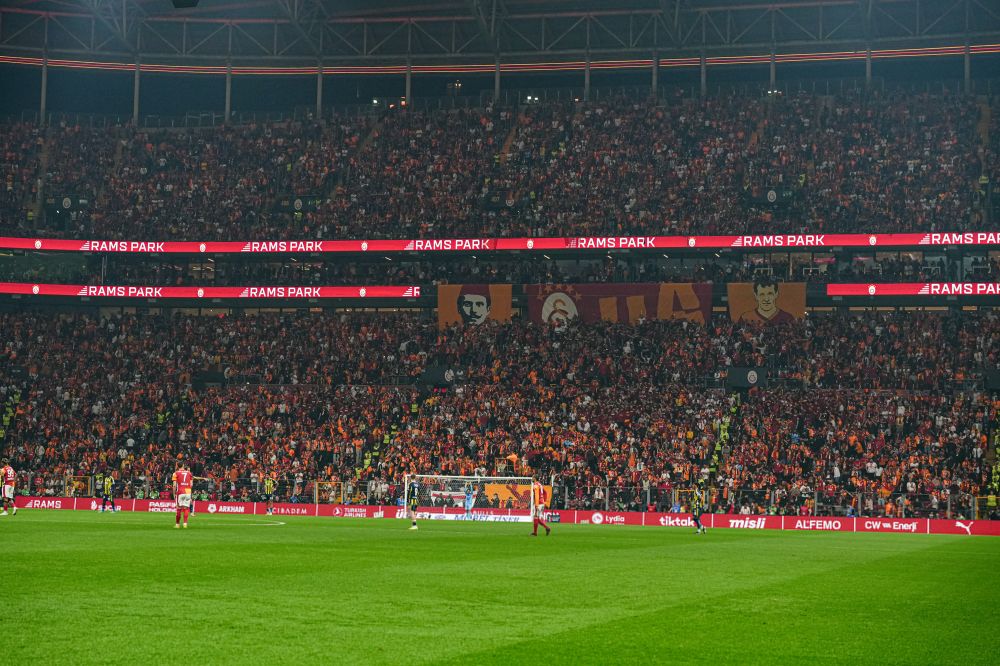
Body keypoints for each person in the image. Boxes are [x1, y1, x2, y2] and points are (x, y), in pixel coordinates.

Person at [172, 463, 193, 529]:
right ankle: (185, 524)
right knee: (186, 508)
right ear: (183, 466)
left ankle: (177, 524)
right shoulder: (189, 473)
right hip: (188, 491)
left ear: (177, 466)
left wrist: (174, 493)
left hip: (180, 491)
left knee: (179, 508)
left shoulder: (175, 473)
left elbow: (174, 485)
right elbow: (191, 484)